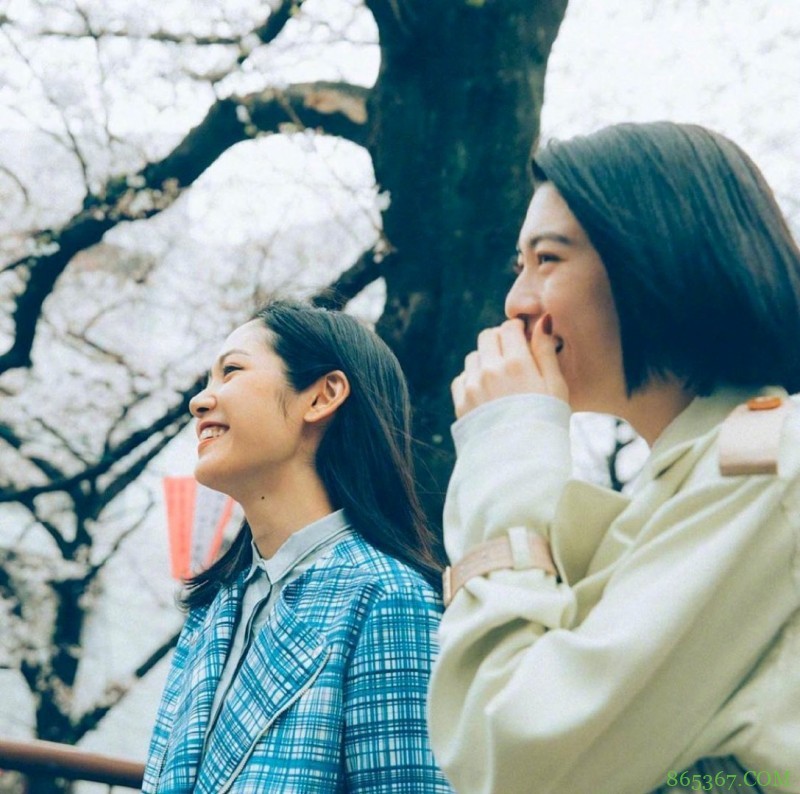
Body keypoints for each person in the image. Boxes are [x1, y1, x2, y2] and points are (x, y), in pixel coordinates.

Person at [427, 122, 800, 794]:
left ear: (655, 256)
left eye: (548, 259)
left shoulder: (772, 468)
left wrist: (506, 450)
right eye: (518, 267)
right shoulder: (701, 478)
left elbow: (512, 754)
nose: (517, 303)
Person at [143, 300, 452, 793]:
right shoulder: (215, 603)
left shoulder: (389, 597)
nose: (200, 401)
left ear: (322, 396)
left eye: (232, 371)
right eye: (208, 379)